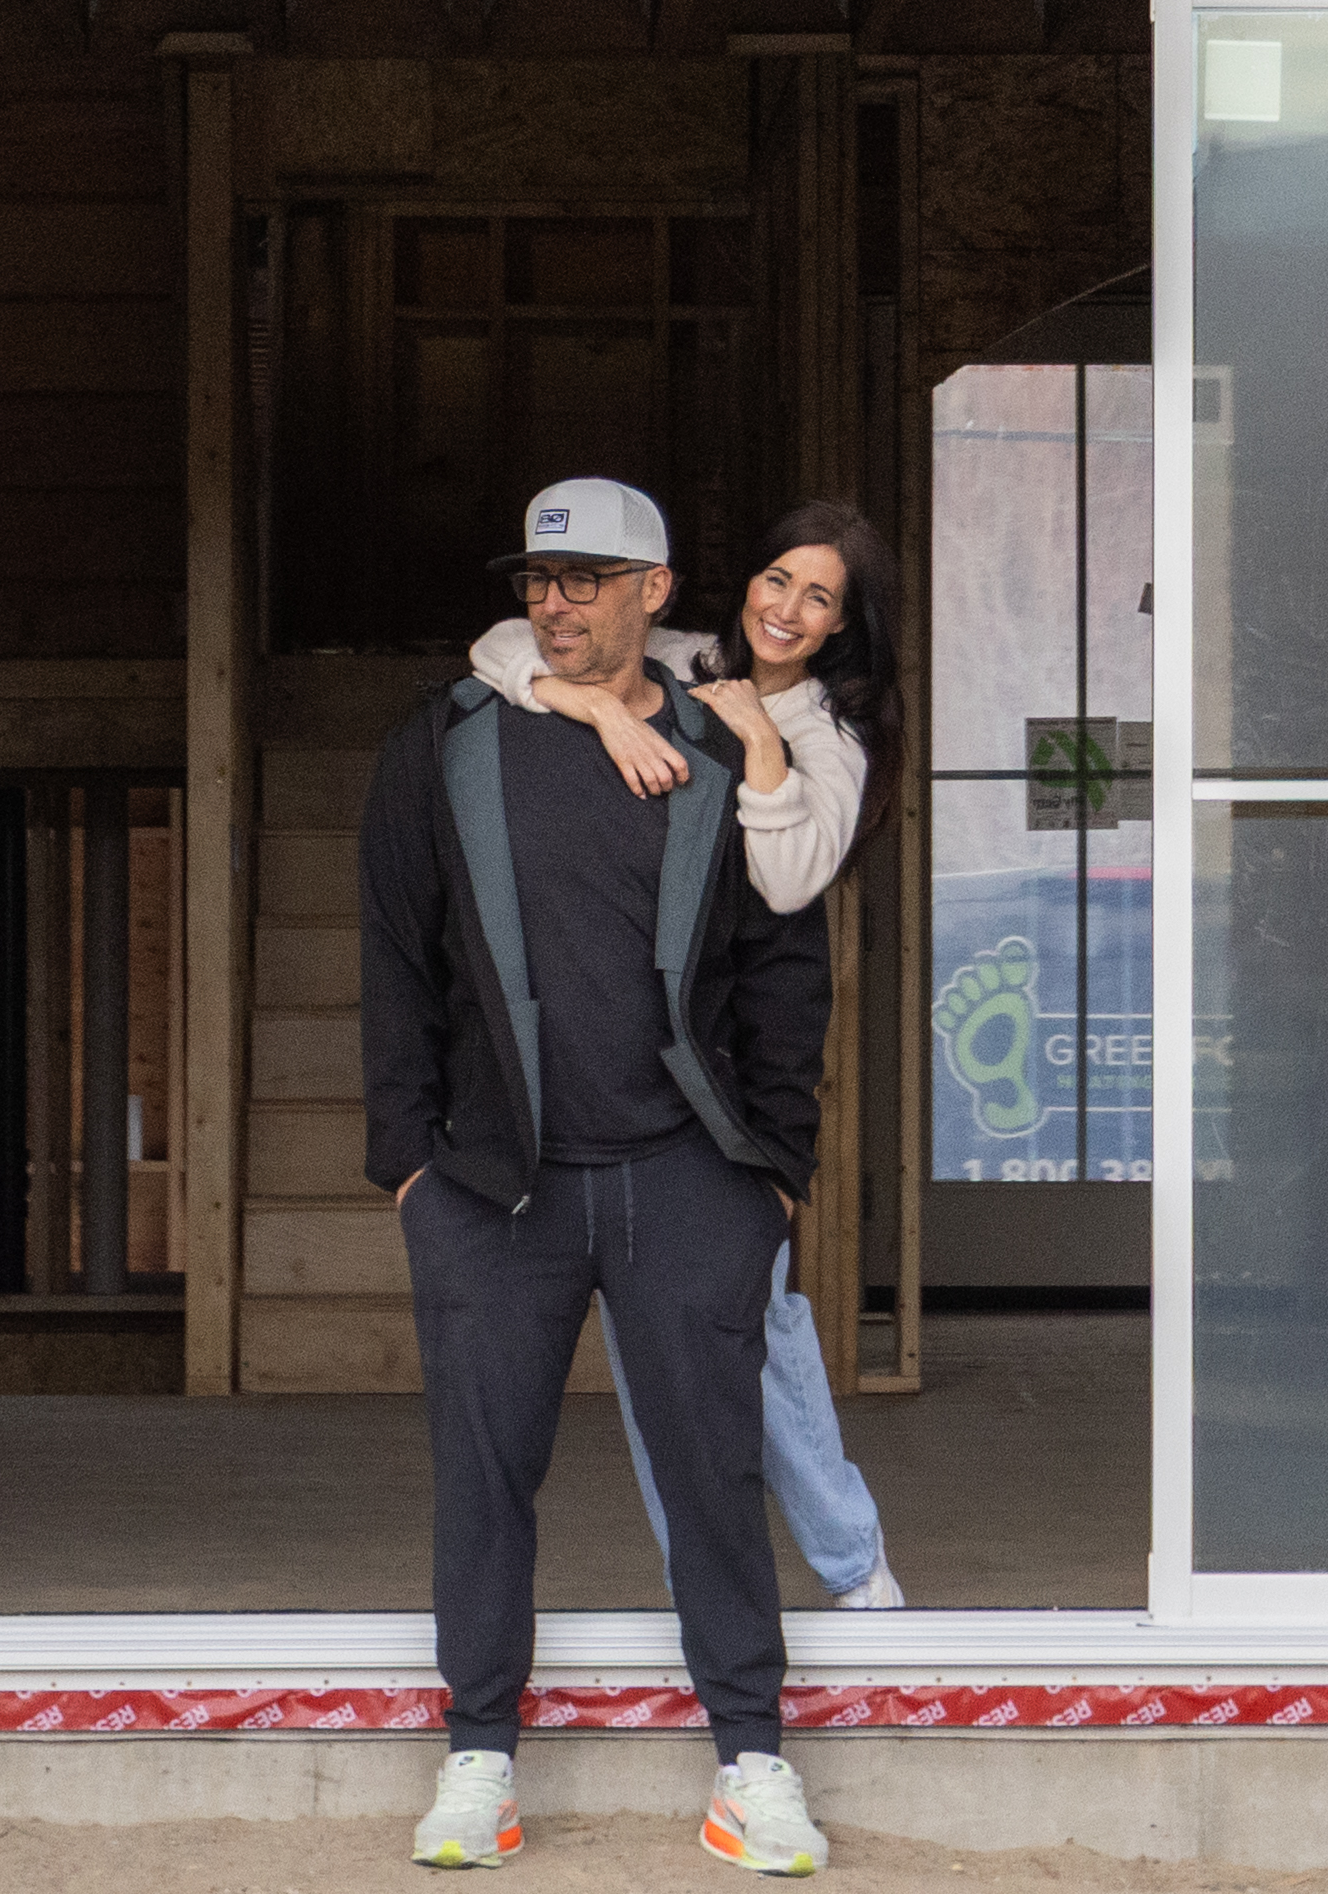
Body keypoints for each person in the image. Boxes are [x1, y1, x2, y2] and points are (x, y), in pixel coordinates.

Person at [360, 475, 840, 1878]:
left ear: (657, 591)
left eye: (584, 579)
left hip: (687, 1176)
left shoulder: (722, 745)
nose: (552, 603)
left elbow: (783, 967)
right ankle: (477, 1762)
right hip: (493, 1189)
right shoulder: (444, 746)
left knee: (715, 1473)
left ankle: (752, 1765)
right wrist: (407, 1164)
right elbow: (393, 954)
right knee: (484, 1475)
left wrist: (775, 1168)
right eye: (537, 581)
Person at [477, 502, 903, 1614]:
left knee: (752, 1336)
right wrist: (590, 708)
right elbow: (501, 646)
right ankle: (738, 1589)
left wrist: (760, 747)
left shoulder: (827, 735)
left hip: (719, 1116)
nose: (785, 606)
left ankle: (854, 1570)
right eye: (775, 575)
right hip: (637, 1109)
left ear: (842, 626)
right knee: (666, 1361)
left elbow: (791, 880)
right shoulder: (685, 662)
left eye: (817, 596)